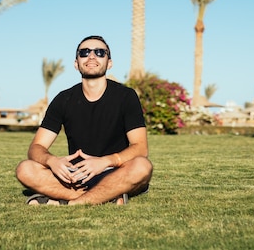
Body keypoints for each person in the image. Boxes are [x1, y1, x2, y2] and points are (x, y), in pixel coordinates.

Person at [16, 35, 153, 205]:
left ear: (109, 63)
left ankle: (71, 202)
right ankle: (108, 195)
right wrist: (52, 161)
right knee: (25, 169)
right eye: (85, 52)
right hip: (77, 175)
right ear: (76, 63)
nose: (92, 56)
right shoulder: (63, 99)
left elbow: (141, 148)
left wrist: (105, 162)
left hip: (116, 170)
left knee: (142, 166)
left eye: (100, 52)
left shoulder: (126, 96)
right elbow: (36, 148)